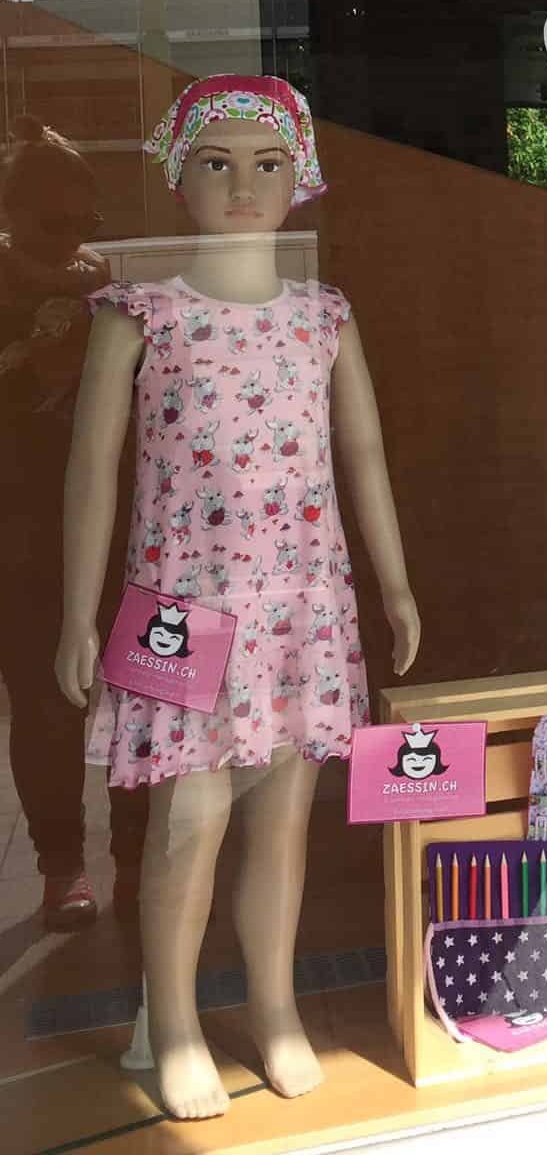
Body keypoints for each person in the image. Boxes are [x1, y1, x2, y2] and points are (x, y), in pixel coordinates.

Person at [55, 75, 421, 1120]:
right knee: (190, 818)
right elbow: (92, 471)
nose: (243, 185)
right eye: (215, 163)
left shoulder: (323, 317)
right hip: (183, 607)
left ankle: (273, 1006)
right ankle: (172, 1020)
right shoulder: (140, 314)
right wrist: (76, 612)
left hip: (299, 602)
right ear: (180, 175)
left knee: (281, 818)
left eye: (268, 164)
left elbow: (363, 452)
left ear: (301, 176)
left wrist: (394, 583)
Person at [0, 116, 146, 930]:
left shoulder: (100, 278)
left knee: (138, 686)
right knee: (45, 698)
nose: (74, 236)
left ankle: (136, 855)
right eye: (55, 219)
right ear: (13, 211)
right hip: (19, 519)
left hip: (115, 509)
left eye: (84, 217)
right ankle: (62, 864)